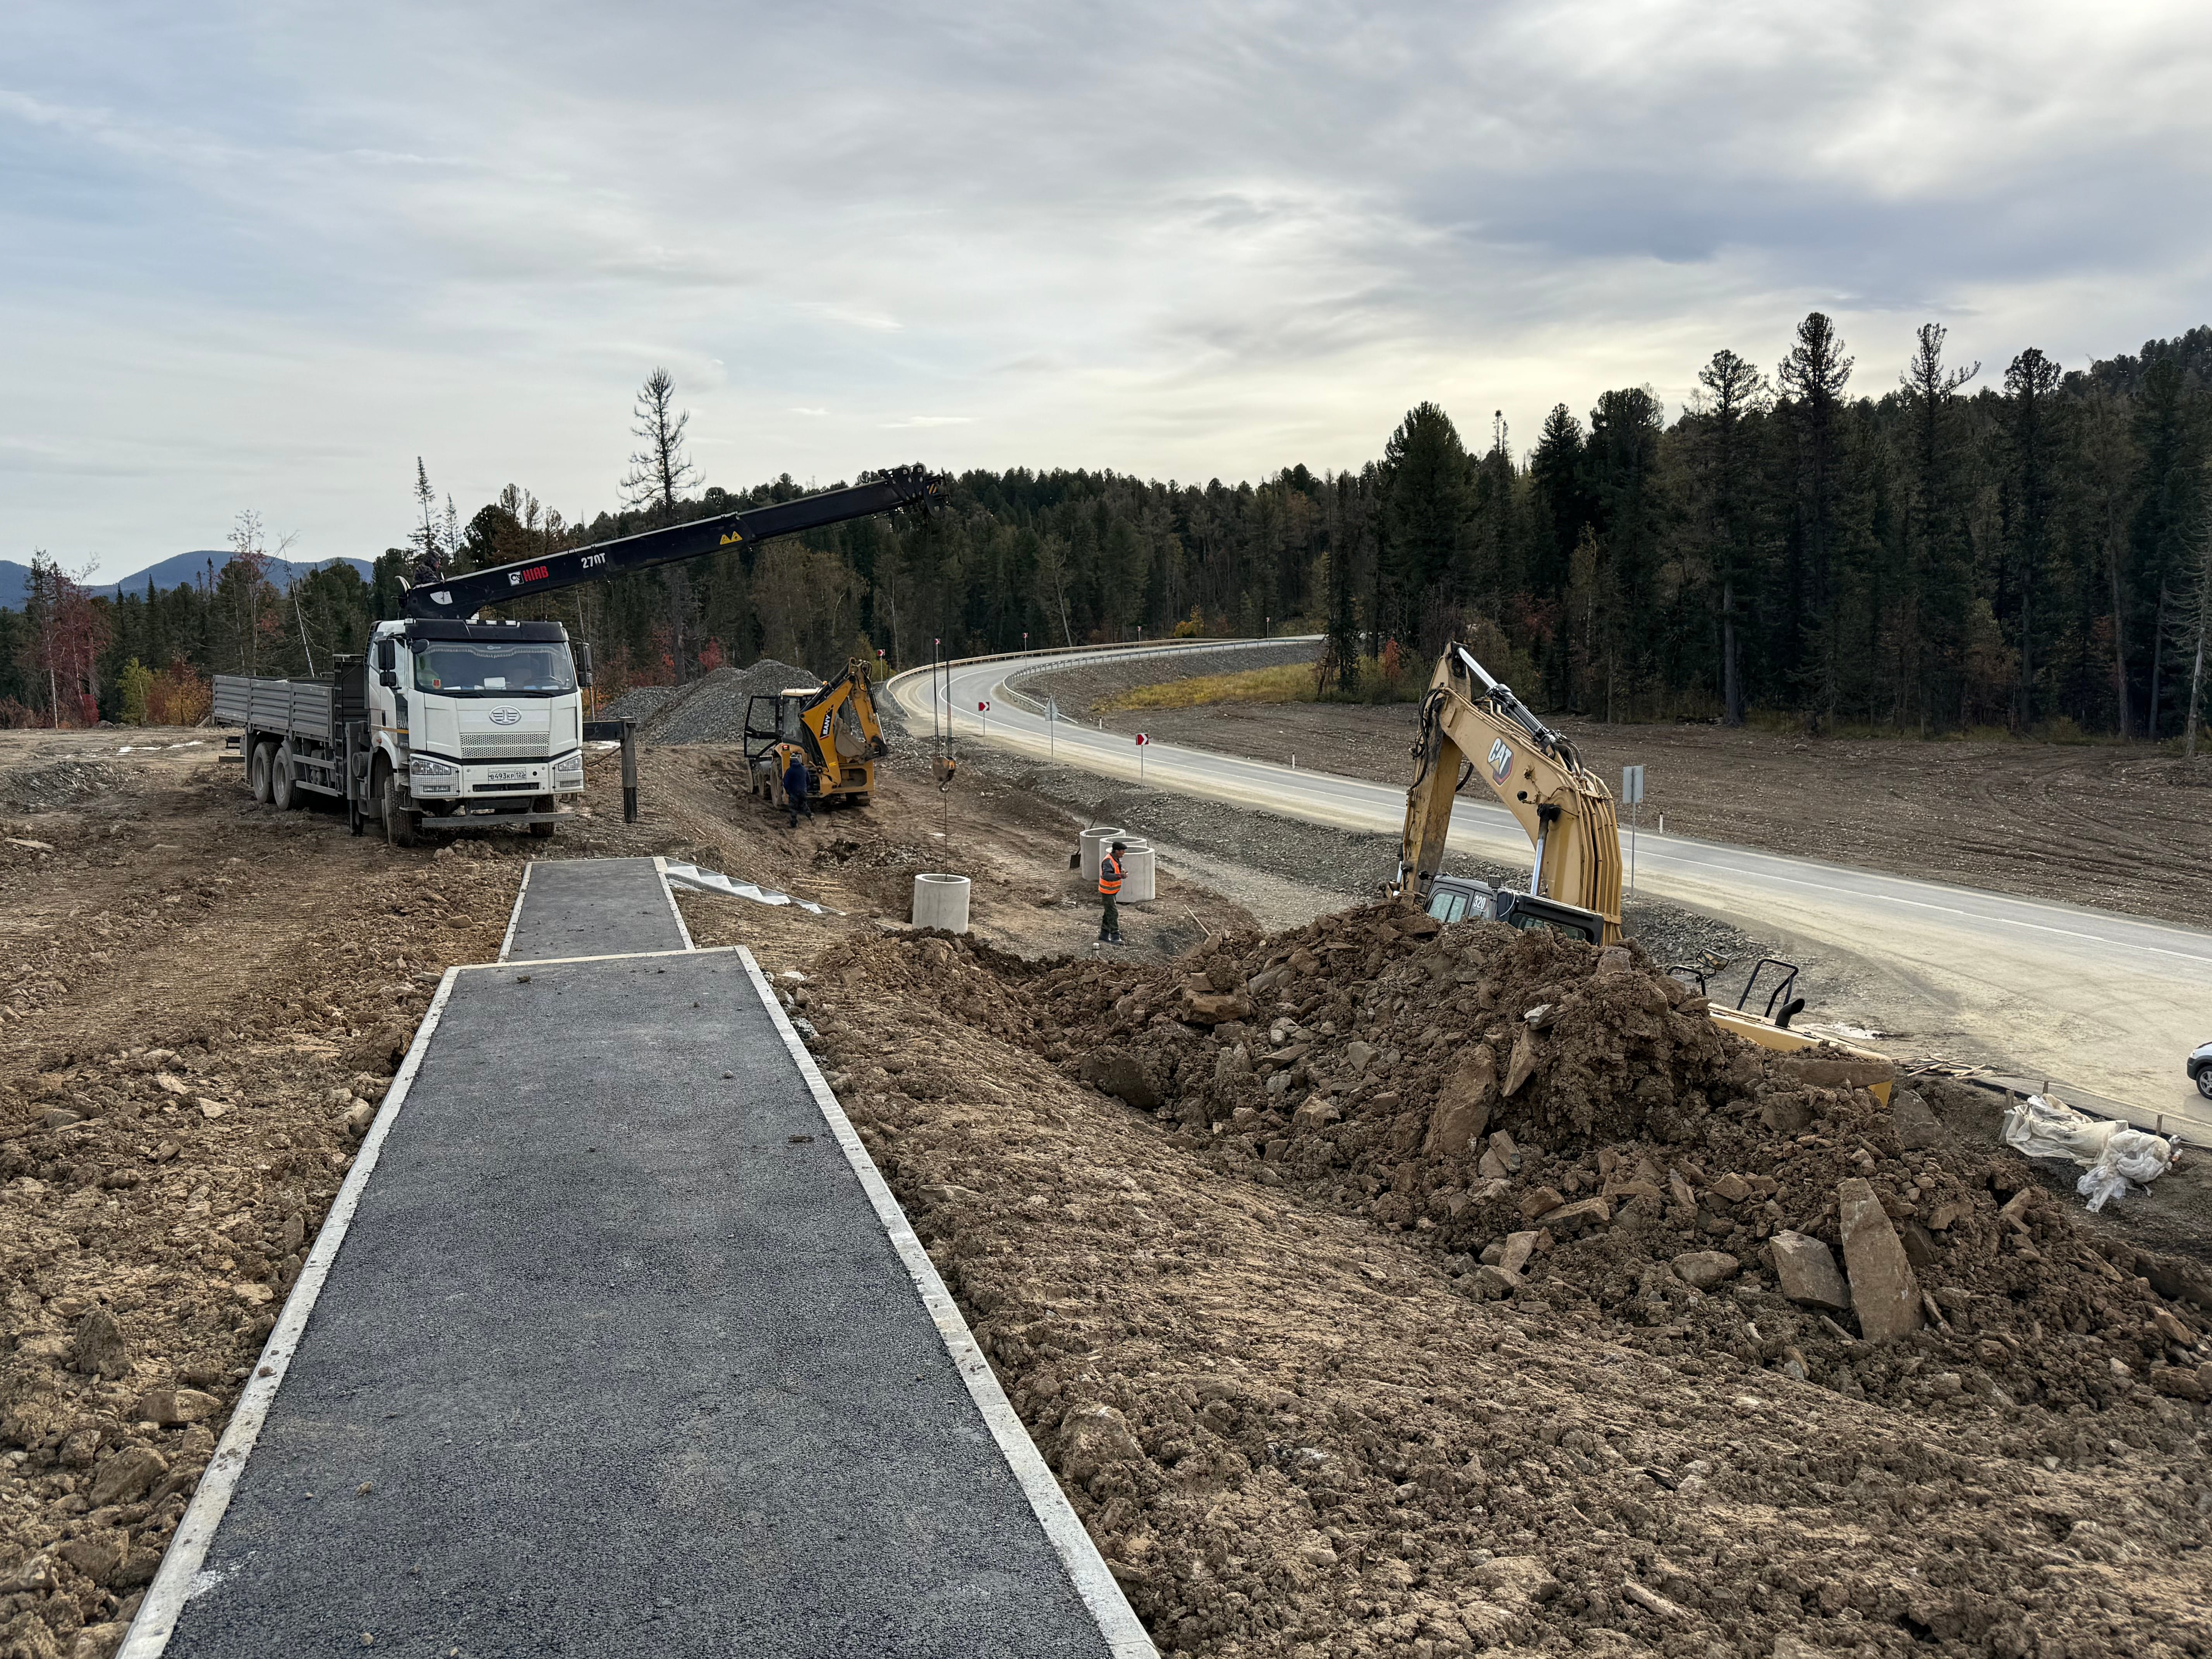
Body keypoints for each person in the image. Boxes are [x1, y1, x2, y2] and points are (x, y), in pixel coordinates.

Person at [1097, 840, 1126, 945]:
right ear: (1117, 851)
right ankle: (1115, 937)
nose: (1124, 853)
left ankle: (1104, 935)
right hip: (1107, 891)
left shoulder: (1115, 859)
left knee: (1108, 913)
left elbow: (1115, 870)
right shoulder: (1108, 861)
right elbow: (1106, 876)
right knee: (1113, 913)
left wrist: (1121, 872)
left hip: (1112, 891)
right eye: (1122, 851)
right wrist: (1120, 876)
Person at [782, 751, 813, 828]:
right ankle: (810, 816)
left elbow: (786, 782)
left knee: (793, 808)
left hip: (794, 793)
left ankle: (794, 824)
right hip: (803, 792)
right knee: (804, 805)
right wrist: (805, 789)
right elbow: (809, 780)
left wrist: (788, 791)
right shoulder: (804, 769)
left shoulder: (790, 771)